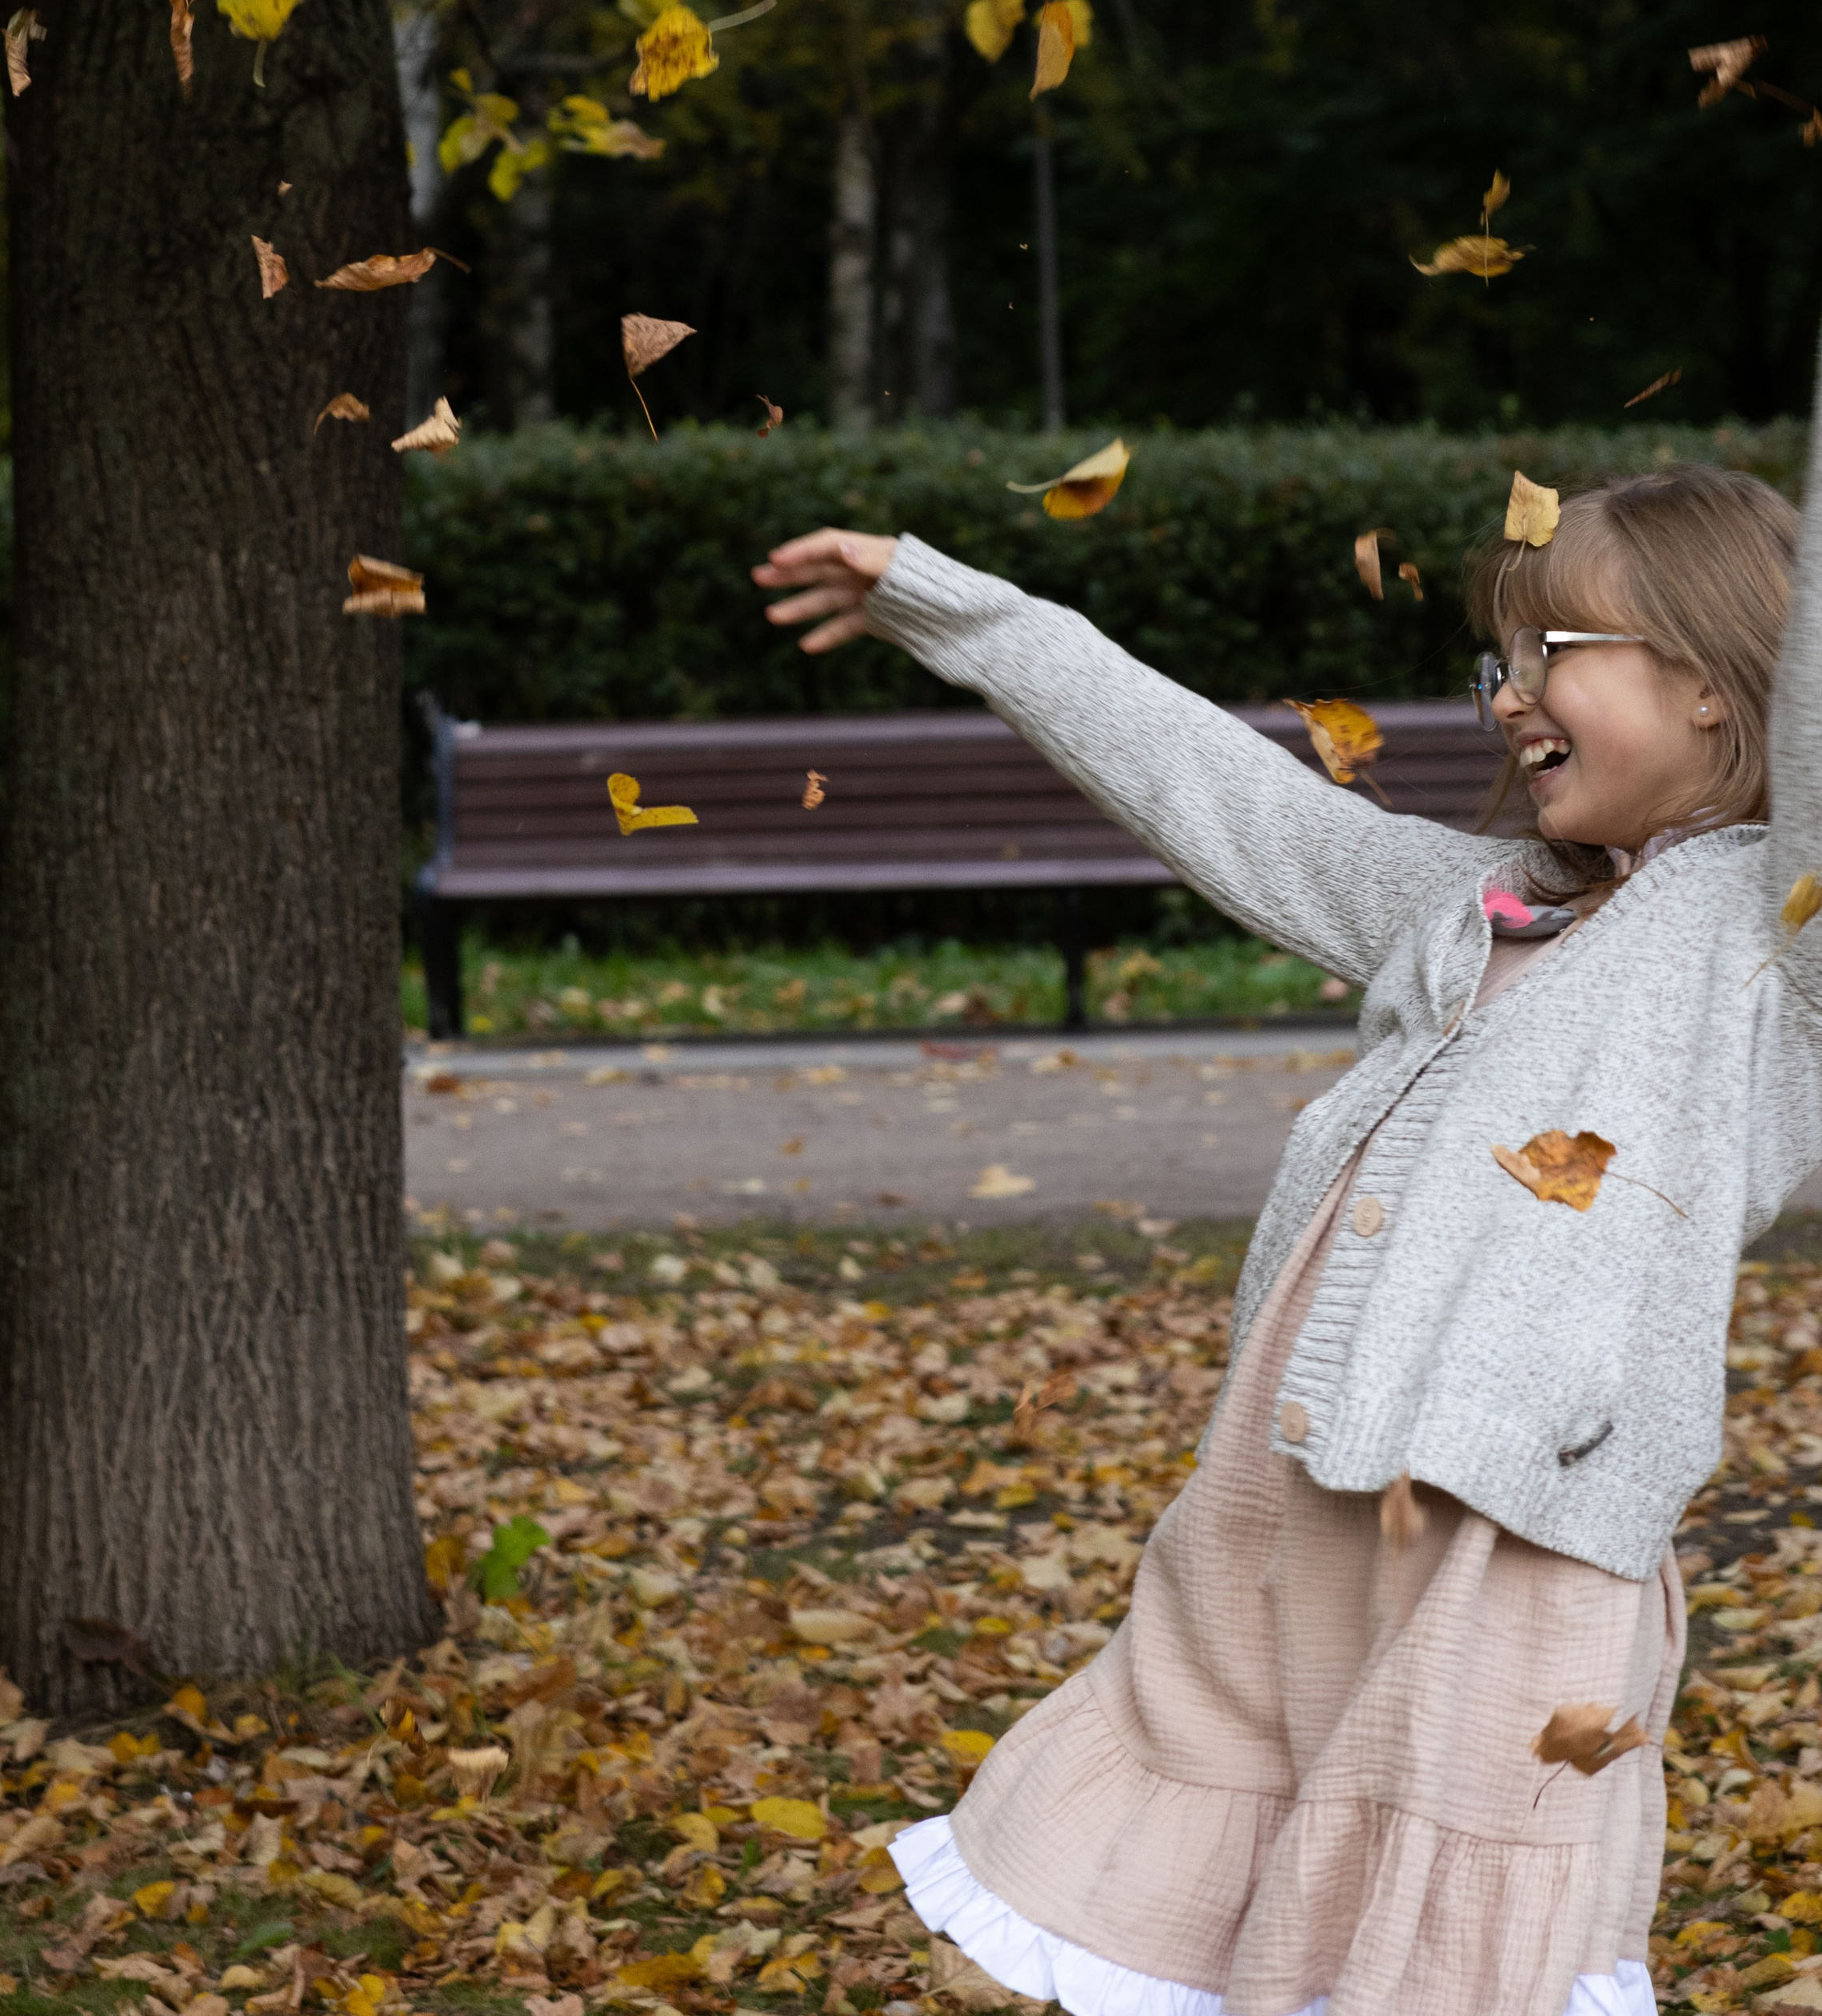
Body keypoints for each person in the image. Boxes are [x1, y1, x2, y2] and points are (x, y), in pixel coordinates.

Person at [751, 461, 1820, 2016]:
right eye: (1496, 660)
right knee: (1248, 1933)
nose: (1508, 697)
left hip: (1502, 1550)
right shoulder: (1475, 905)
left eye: (1554, 653)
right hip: (1282, 1516)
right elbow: (1219, 790)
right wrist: (958, 609)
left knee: (1446, 1970)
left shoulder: (1771, 942)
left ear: (1724, 686)